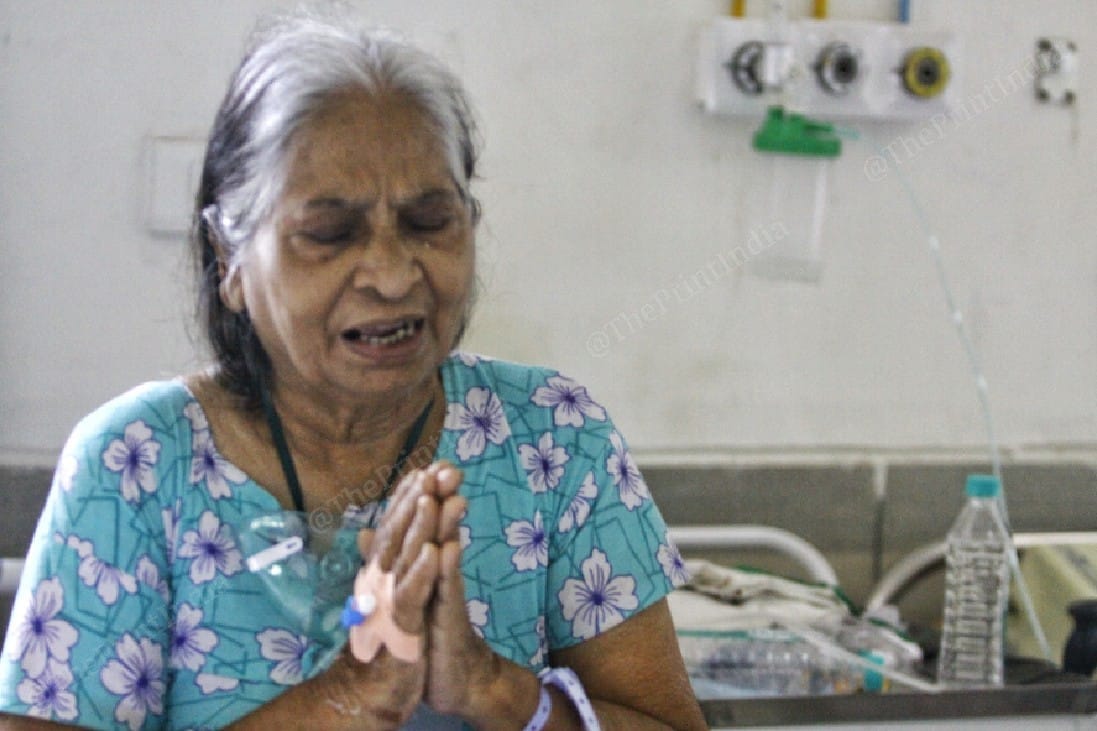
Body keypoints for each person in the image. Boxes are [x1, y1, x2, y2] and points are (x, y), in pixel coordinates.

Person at [0, 11, 706, 731]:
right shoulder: (136, 465)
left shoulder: (554, 439)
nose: (393, 275)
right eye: (330, 234)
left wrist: (494, 686)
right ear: (229, 259)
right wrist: (345, 695)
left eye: (429, 222)